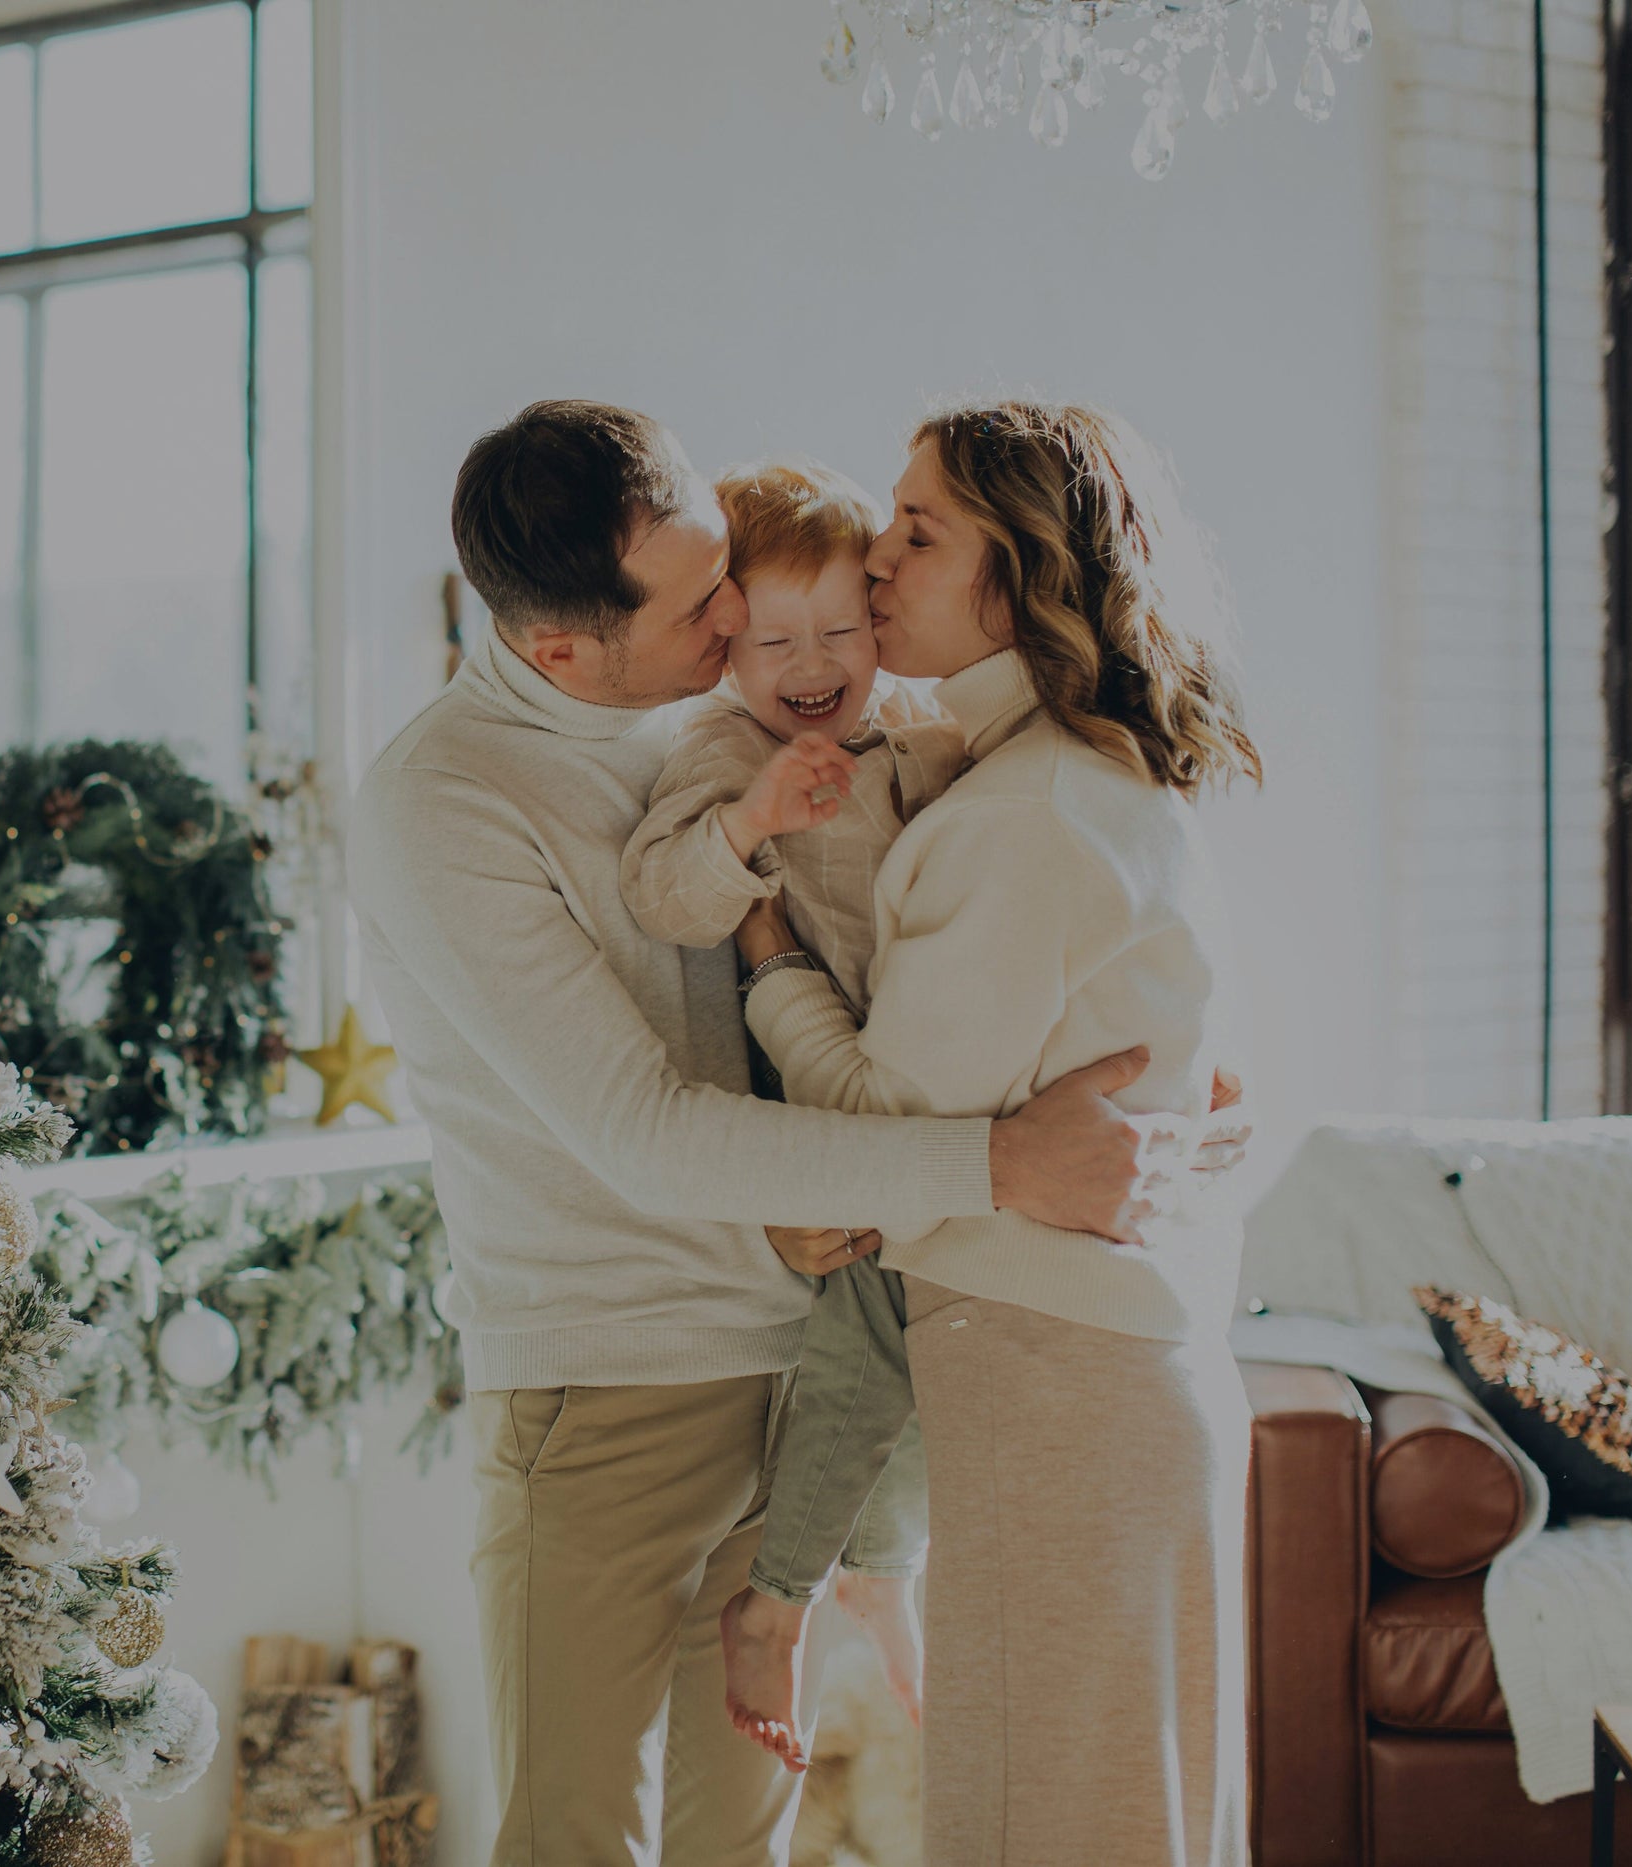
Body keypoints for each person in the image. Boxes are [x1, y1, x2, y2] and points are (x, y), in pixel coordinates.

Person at [344, 400, 1228, 1867]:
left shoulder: (716, 711)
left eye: (727, 575)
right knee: (577, 1836)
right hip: (613, 1382)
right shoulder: (446, 801)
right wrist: (1000, 1165)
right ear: (563, 649)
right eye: (705, 606)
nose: (743, 615)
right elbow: (644, 1131)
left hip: (802, 1339)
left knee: (739, 1845)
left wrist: (1167, 1091)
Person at [733, 401, 1262, 1867]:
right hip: (1106, 1385)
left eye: (920, 530)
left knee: (1050, 1828)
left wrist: (773, 964)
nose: (875, 561)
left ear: (1022, 572)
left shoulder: (1028, 816)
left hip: (1056, 1389)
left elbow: (881, 1148)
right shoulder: (1080, 783)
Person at [618, 459, 963, 1756]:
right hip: (820, 1091)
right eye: (774, 641)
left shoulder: (915, 724)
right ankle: (788, 1597)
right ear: (727, 648)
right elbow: (664, 899)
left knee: (932, 1340)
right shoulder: (721, 746)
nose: (813, 665)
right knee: (875, 1338)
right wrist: (755, 819)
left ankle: (877, 1567)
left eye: (841, 632)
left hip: (910, 1074)